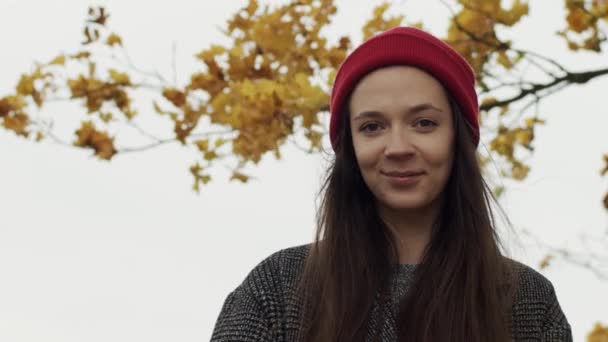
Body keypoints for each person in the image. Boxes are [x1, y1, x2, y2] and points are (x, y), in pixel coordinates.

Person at [210, 26, 572, 342]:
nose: (398, 148)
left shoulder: (525, 300)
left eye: (424, 123)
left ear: (457, 138)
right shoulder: (278, 289)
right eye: (372, 127)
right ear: (350, 147)